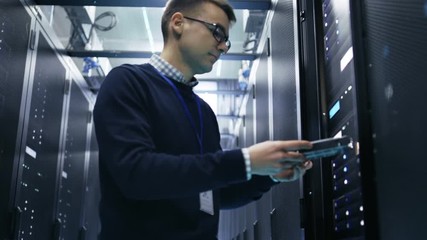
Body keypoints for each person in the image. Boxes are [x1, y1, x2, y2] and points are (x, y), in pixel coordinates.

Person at [93, 0, 313, 239]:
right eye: (217, 31)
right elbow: (136, 174)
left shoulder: (204, 112)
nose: (223, 46)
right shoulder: (128, 82)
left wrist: (269, 173)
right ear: (178, 23)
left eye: (226, 40)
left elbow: (216, 194)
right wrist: (245, 161)